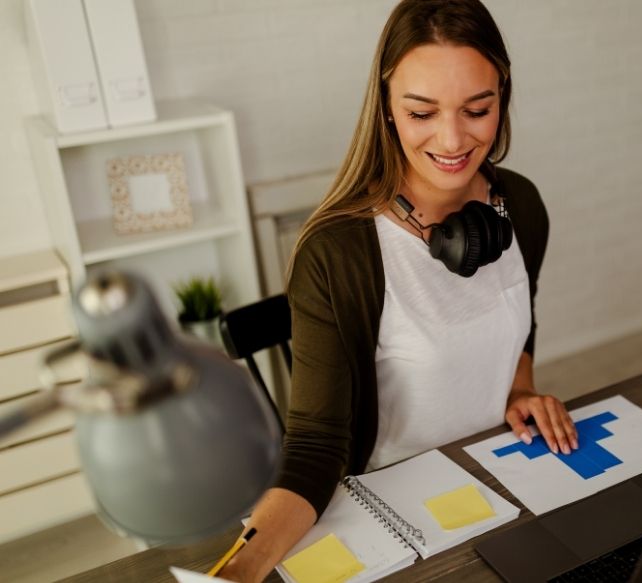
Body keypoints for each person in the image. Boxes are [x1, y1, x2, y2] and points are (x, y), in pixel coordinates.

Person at [221, 1, 577, 580]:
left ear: (502, 97)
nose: (453, 138)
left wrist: (518, 390)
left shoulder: (519, 207)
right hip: (395, 515)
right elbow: (314, 449)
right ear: (387, 106)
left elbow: (519, 319)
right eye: (422, 113)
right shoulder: (337, 254)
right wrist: (240, 571)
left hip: (499, 478)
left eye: (477, 109)